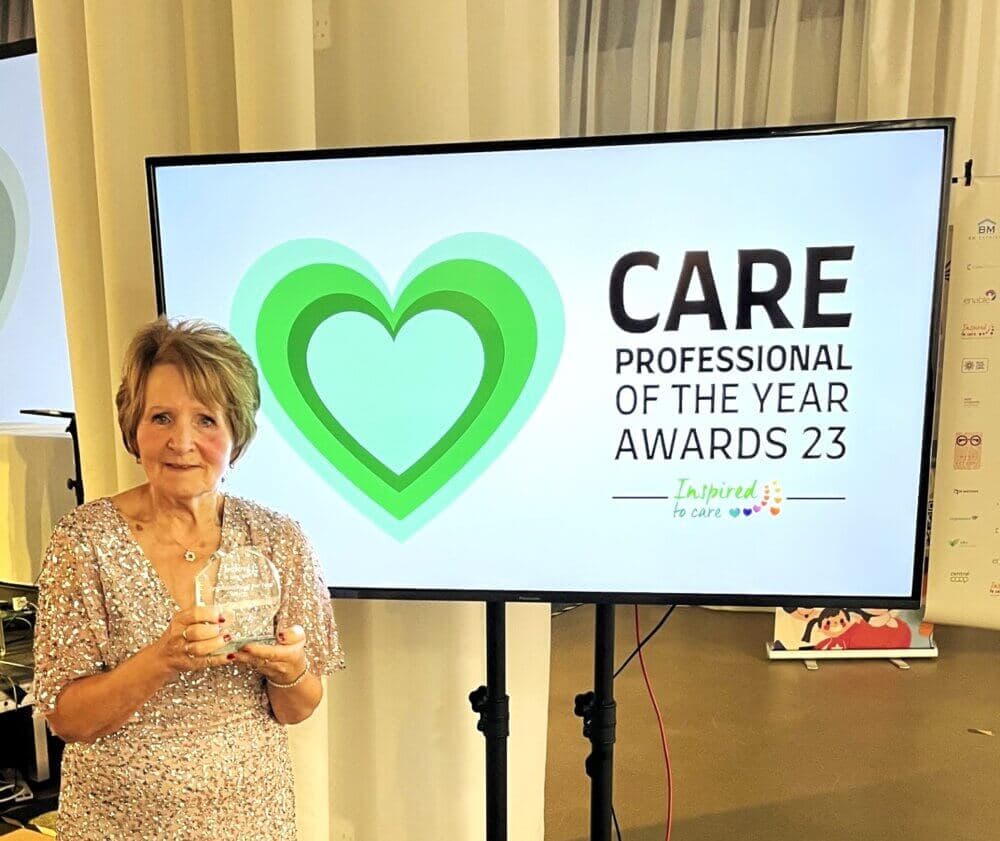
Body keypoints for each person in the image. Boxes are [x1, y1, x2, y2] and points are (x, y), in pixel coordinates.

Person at [32, 318, 344, 840]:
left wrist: (288, 670)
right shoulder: (83, 540)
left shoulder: (279, 539)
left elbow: (299, 707)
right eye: (161, 417)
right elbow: (68, 719)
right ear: (133, 429)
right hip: (115, 824)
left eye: (206, 420)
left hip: (250, 821)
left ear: (235, 435)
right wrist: (163, 659)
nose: (182, 441)